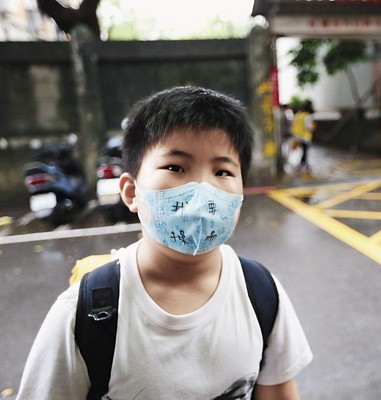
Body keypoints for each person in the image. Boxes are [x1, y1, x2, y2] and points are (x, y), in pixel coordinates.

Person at [17, 86, 313, 400]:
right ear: (131, 192)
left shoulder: (261, 293)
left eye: (223, 170)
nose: (202, 189)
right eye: (175, 167)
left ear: (240, 196)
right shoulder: (81, 316)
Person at [290, 100, 316, 173]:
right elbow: (309, 126)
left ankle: (304, 164)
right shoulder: (307, 116)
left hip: (297, 135)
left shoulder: (298, 114)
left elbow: (293, 124)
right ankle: (302, 164)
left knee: (303, 150)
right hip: (305, 136)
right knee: (305, 150)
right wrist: (313, 128)